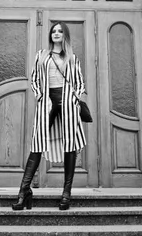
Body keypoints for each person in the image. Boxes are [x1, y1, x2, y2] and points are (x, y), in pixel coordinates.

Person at [11, 22, 87, 211]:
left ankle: (66, 193)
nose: (56, 33)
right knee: (37, 143)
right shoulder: (42, 55)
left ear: (65, 35)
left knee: (70, 144)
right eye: (54, 31)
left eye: (60, 31)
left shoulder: (72, 58)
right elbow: (34, 78)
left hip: (67, 100)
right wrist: (40, 96)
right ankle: (24, 191)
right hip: (47, 101)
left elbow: (79, 83)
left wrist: (74, 99)